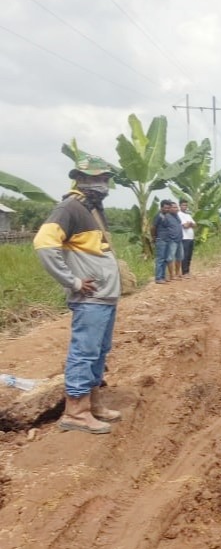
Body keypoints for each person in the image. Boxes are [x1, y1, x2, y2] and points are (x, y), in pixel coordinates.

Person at [33, 155, 123, 434]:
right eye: (98, 179)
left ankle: (93, 404)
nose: (103, 184)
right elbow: (43, 244)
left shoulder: (92, 208)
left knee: (98, 352)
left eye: (105, 179)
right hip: (90, 299)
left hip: (104, 297)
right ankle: (76, 412)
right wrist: (72, 281)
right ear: (82, 180)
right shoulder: (70, 207)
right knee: (84, 353)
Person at [152, 199, 183, 283]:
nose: (167, 209)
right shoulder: (159, 216)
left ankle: (163, 277)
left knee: (165, 259)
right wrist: (154, 237)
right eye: (165, 208)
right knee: (160, 259)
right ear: (161, 207)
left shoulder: (166, 216)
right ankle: (158, 278)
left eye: (168, 208)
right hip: (161, 239)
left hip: (167, 240)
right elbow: (153, 227)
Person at [177, 199, 196, 276]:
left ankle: (188, 271)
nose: (185, 207)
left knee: (189, 255)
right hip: (184, 238)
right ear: (180, 206)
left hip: (191, 238)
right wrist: (190, 223)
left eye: (186, 205)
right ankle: (184, 272)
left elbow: (195, 225)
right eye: (183, 205)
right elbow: (185, 226)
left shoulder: (188, 215)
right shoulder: (179, 214)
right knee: (185, 255)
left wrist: (190, 223)